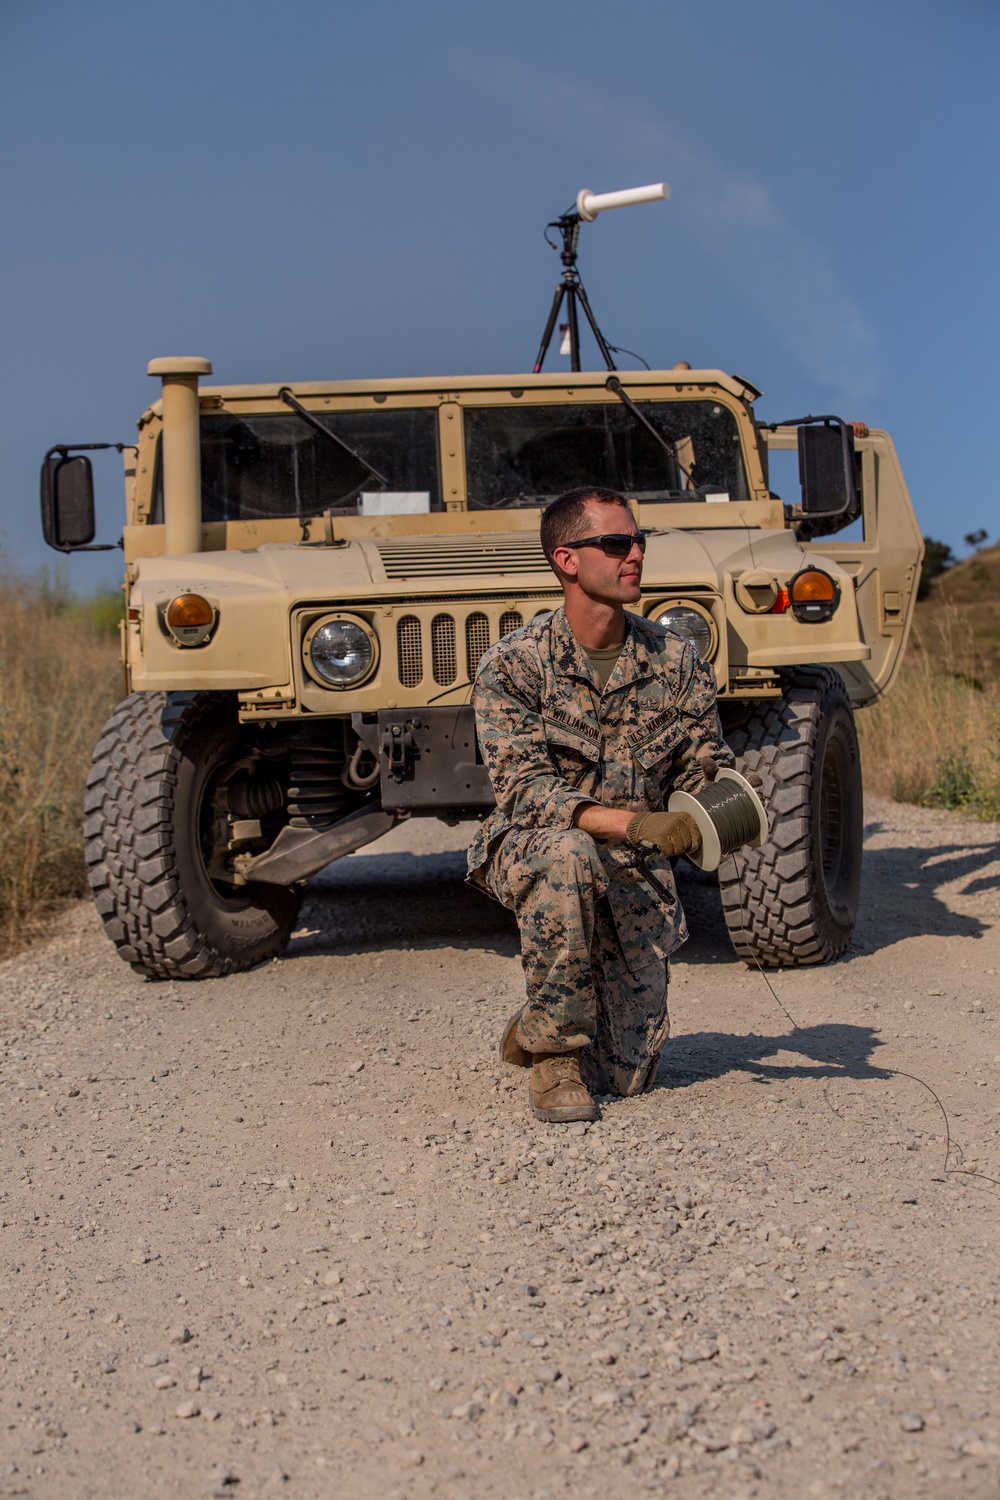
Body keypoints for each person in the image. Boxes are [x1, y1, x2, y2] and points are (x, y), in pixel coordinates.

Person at [467, 485, 734, 1124]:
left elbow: (708, 769)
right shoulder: (515, 665)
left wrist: (715, 816)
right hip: (538, 844)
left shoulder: (676, 660)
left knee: (627, 1075)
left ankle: (539, 1021)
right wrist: (638, 823)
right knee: (568, 851)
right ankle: (555, 1053)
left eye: (638, 541)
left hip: (634, 867)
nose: (635, 554)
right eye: (616, 544)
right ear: (567, 560)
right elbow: (527, 792)